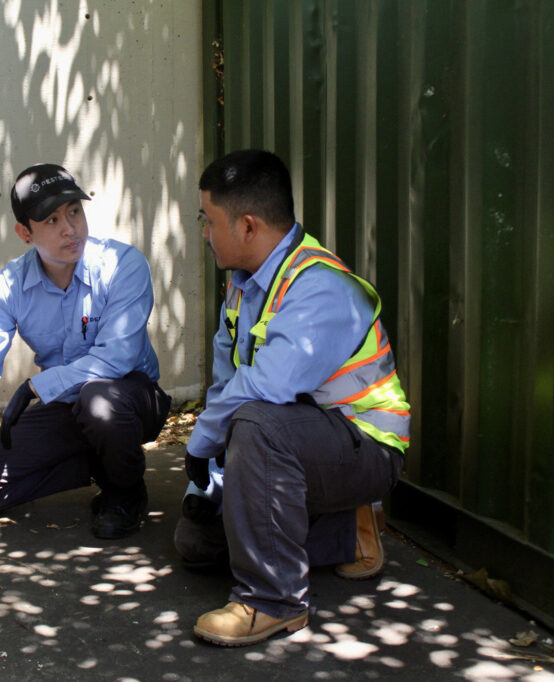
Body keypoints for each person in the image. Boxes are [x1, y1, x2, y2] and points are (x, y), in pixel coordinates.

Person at [180, 150, 410, 647]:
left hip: (364, 447)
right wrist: (210, 483)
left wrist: (200, 444)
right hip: (303, 441)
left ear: (246, 225)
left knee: (257, 423)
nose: (203, 231)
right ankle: (347, 532)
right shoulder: (242, 287)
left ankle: (272, 601)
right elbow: (225, 386)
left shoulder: (318, 287)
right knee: (196, 543)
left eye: (208, 219)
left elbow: (264, 390)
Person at [0, 163, 171, 540]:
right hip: (68, 406)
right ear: (25, 232)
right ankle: (102, 465)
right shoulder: (10, 286)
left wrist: (38, 387)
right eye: (51, 220)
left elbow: (117, 357)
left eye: (74, 211)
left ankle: (126, 492)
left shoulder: (122, 265)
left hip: (131, 398)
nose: (70, 228)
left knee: (99, 401)